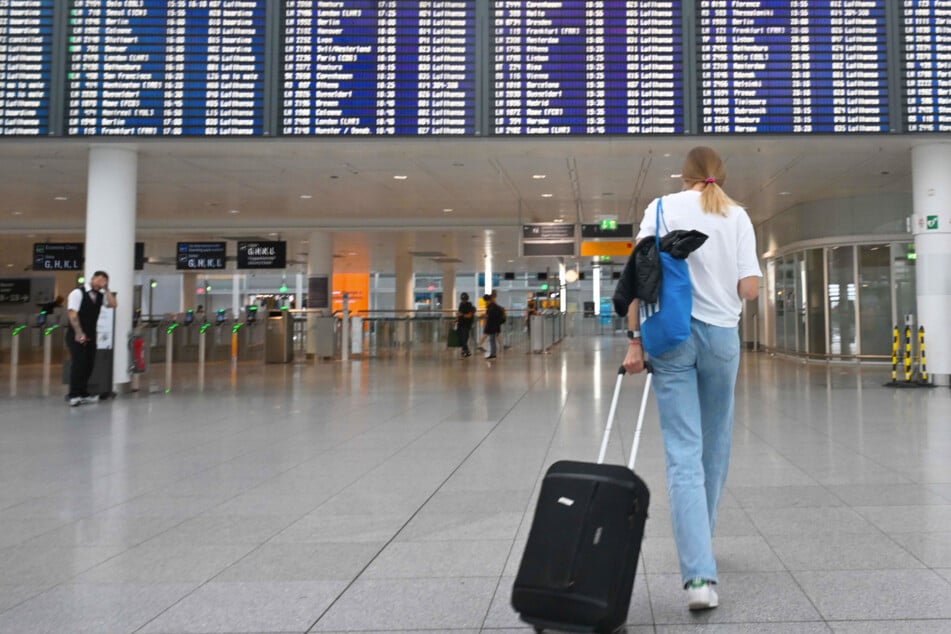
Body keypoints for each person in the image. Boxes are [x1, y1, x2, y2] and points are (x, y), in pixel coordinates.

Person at [622, 147, 761, 611]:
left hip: (672, 335)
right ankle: (703, 538)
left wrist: (634, 341)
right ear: (720, 177)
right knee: (714, 444)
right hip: (721, 337)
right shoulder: (738, 216)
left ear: (683, 177)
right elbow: (749, 287)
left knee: (683, 451)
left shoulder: (660, 208)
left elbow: (639, 276)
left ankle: (699, 577)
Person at [66, 271, 117, 407]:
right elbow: (72, 313)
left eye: (104, 281)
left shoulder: (101, 296)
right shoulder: (77, 293)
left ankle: (83, 393)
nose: (101, 282)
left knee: (88, 364)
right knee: (78, 363)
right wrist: (78, 332)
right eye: (99, 279)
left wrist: (107, 289)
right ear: (92, 279)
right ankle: (73, 395)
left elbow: (113, 304)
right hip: (77, 334)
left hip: (91, 335)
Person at [481, 293, 503, 360]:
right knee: (492, 340)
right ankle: (493, 354)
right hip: (493, 326)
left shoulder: (492, 307)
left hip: (493, 326)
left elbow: (491, 316)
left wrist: (485, 315)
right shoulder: (492, 306)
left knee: (492, 340)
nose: (486, 302)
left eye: (486, 301)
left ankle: (493, 354)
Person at [456, 292, 475, 358]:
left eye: (464, 299)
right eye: (462, 299)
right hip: (460, 324)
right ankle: (465, 351)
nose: (463, 301)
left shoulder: (469, 305)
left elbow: (469, 315)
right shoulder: (460, 305)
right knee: (461, 338)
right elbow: (459, 313)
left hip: (466, 324)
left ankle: (465, 351)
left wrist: (462, 315)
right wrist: (456, 320)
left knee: (465, 338)